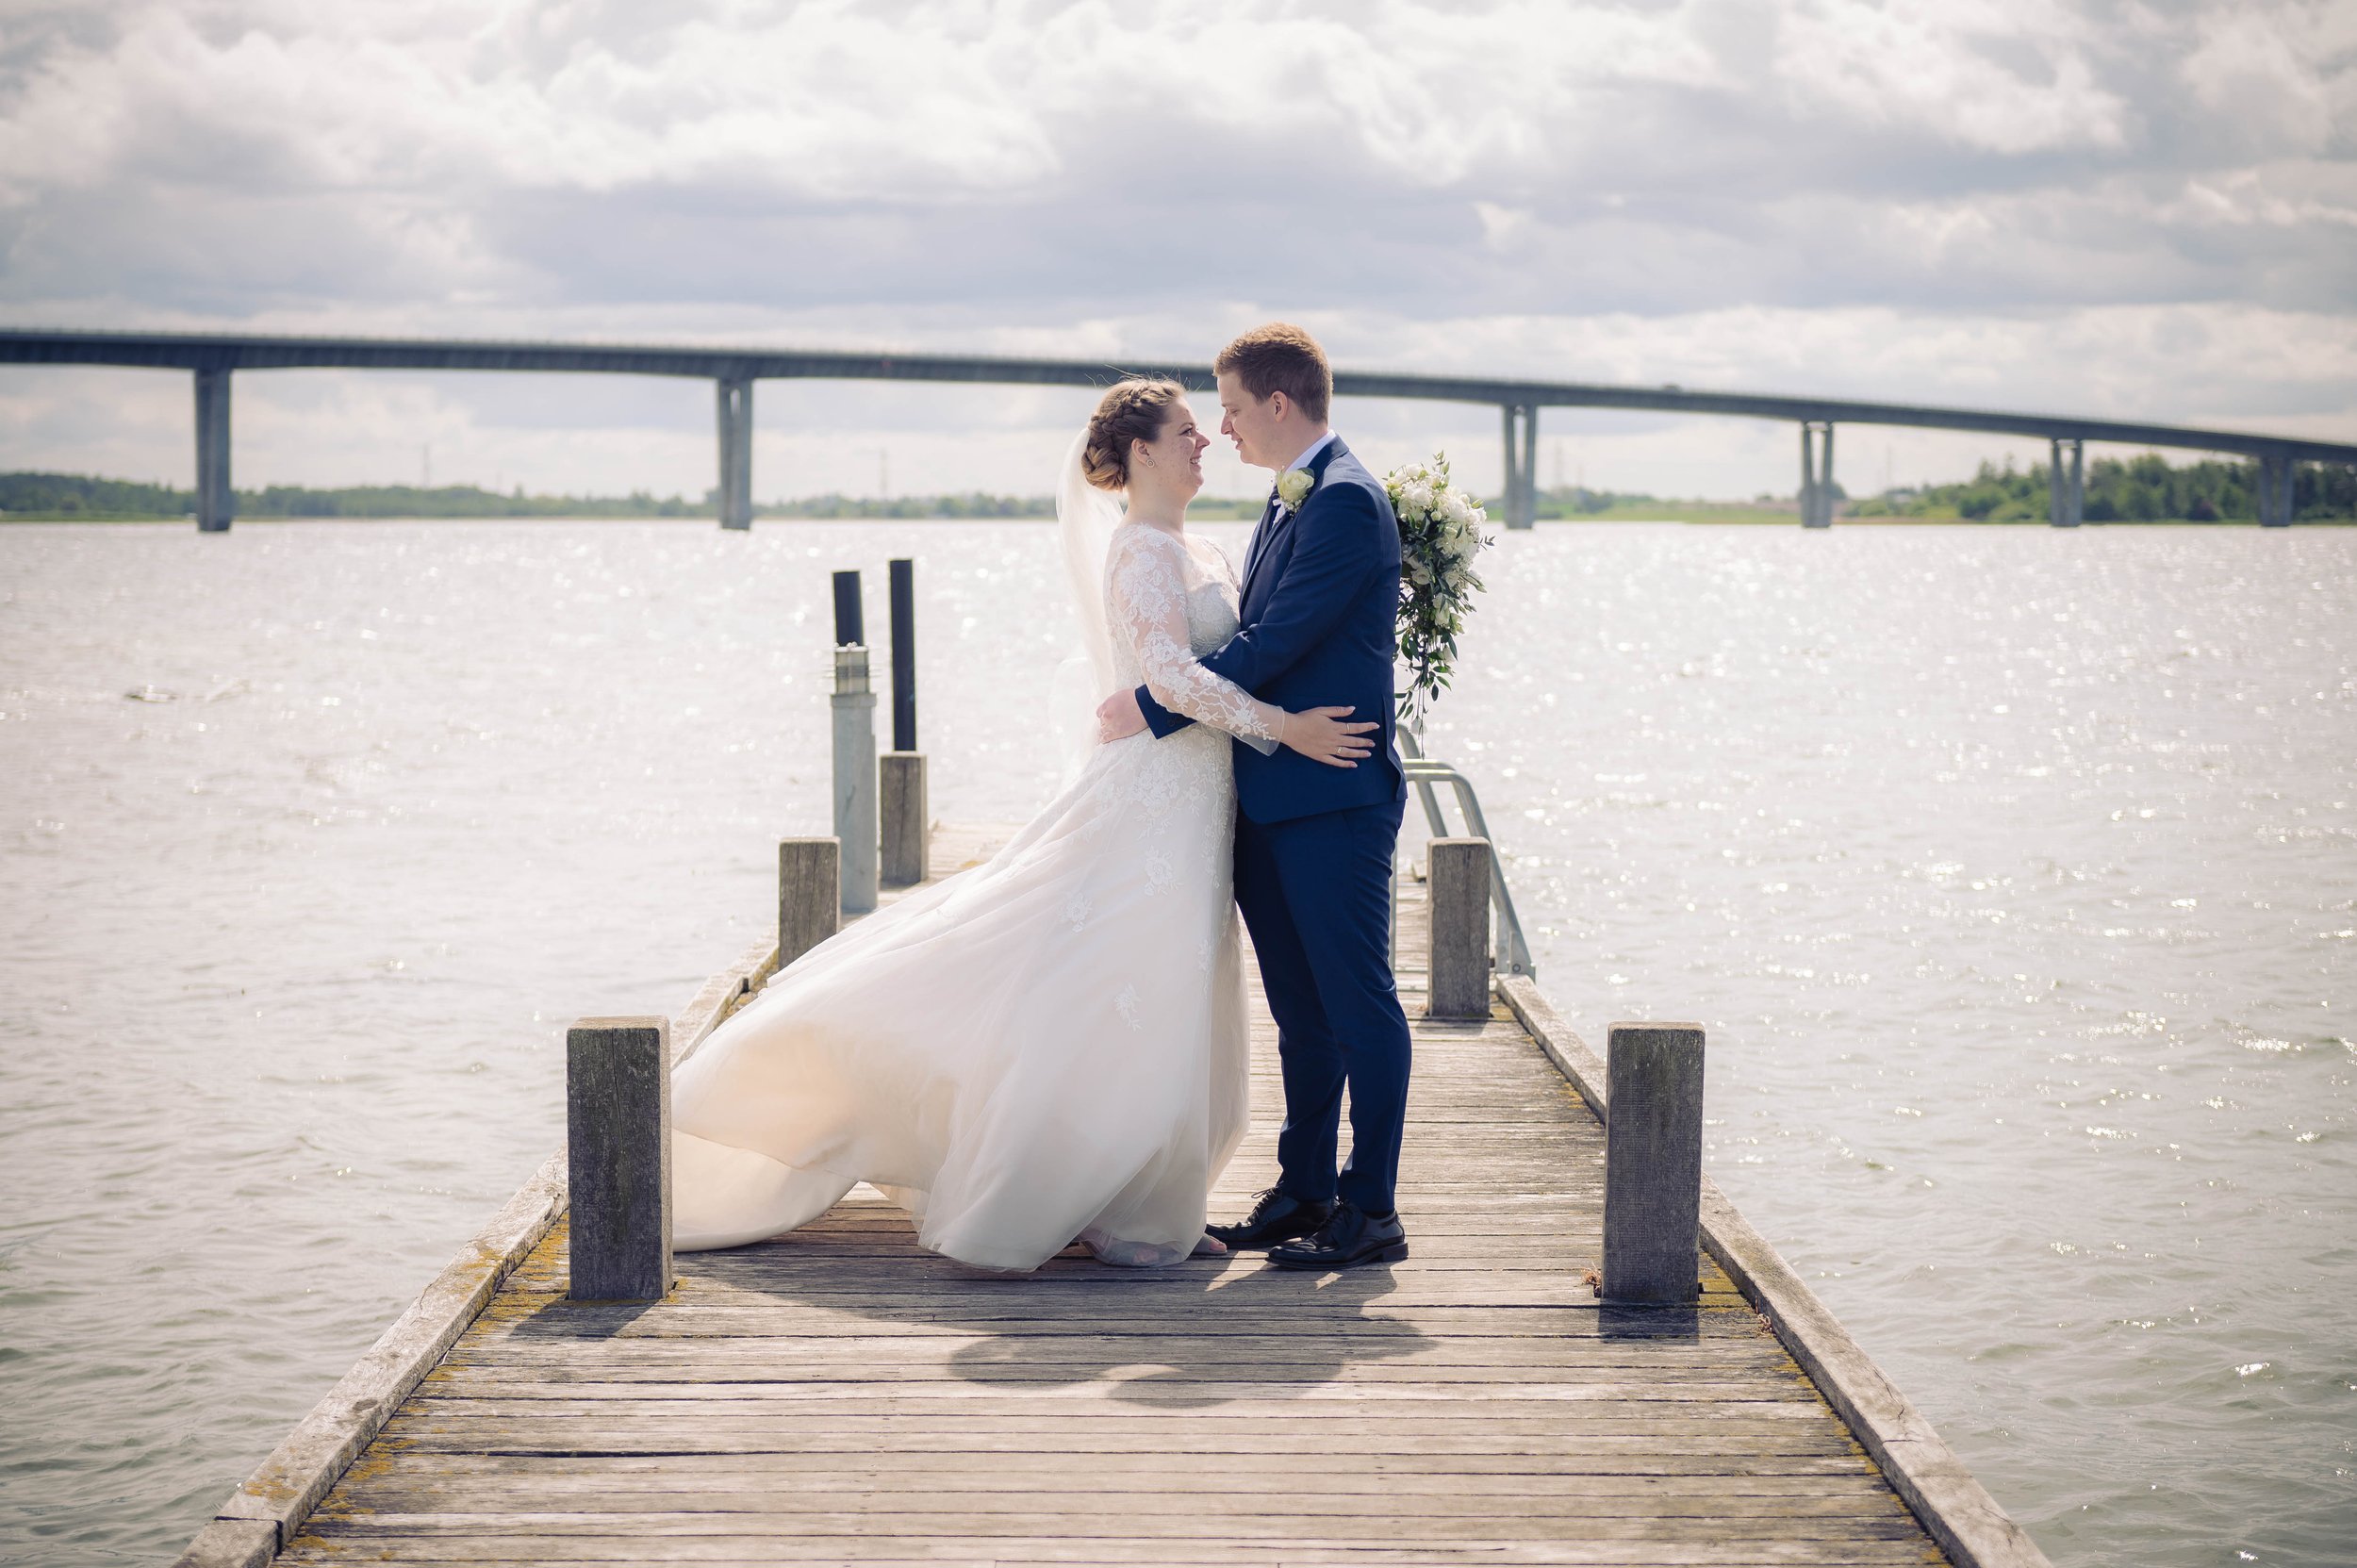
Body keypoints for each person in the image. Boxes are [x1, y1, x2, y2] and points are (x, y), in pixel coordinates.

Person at [668, 376, 1375, 1270]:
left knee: (1161, 993)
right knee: (1108, 982)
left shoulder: (1210, 550)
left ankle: (1137, 1193)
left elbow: (1235, 655)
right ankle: (1083, 1190)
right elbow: (1173, 676)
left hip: (1201, 807)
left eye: (1209, 427)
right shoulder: (1140, 553)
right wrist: (1287, 728)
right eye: (1189, 431)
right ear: (1144, 452)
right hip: (1150, 800)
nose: (1206, 442)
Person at [1096, 323, 1412, 1271]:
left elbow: (1269, 643)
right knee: (1300, 1012)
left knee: (1359, 1005)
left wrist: (1151, 702)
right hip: (1267, 798)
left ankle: (1371, 1208)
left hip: (1333, 796)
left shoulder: (1346, 501)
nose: (1222, 428)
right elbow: (1264, 632)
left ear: (1278, 404)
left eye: (1230, 408)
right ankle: (1303, 1187)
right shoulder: (1286, 504)